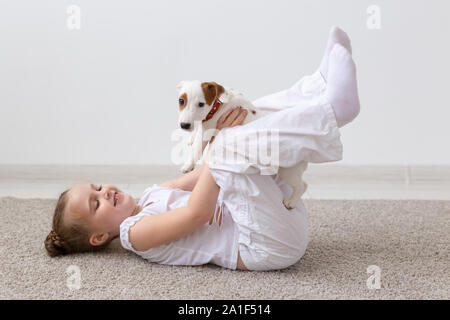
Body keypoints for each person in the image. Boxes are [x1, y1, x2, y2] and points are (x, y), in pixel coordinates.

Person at [44, 26, 360, 271]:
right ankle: (336, 111)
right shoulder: (135, 235)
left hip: (272, 216)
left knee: (246, 117)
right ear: (98, 238)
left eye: (97, 188)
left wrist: (218, 134)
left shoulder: (153, 194)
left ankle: (318, 91)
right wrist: (221, 141)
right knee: (229, 145)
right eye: (96, 204)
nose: (105, 193)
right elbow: (199, 213)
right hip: (266, 246)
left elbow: (200, 174)